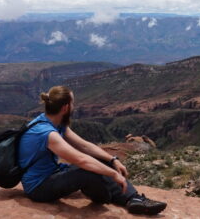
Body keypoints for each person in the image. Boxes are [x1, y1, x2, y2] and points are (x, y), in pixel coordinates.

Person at [18, 85, 167, 215]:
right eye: (73, 103)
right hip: (38, 187)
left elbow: (84, 146)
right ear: (65, 108)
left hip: (52, 174)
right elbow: (80, 160)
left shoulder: (55, 123)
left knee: (101, 160)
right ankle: (111, 196)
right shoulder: (47, 133)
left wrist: (112, 160)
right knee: (89, 172)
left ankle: (134, 199)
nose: (74, 107)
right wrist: (113, 174)